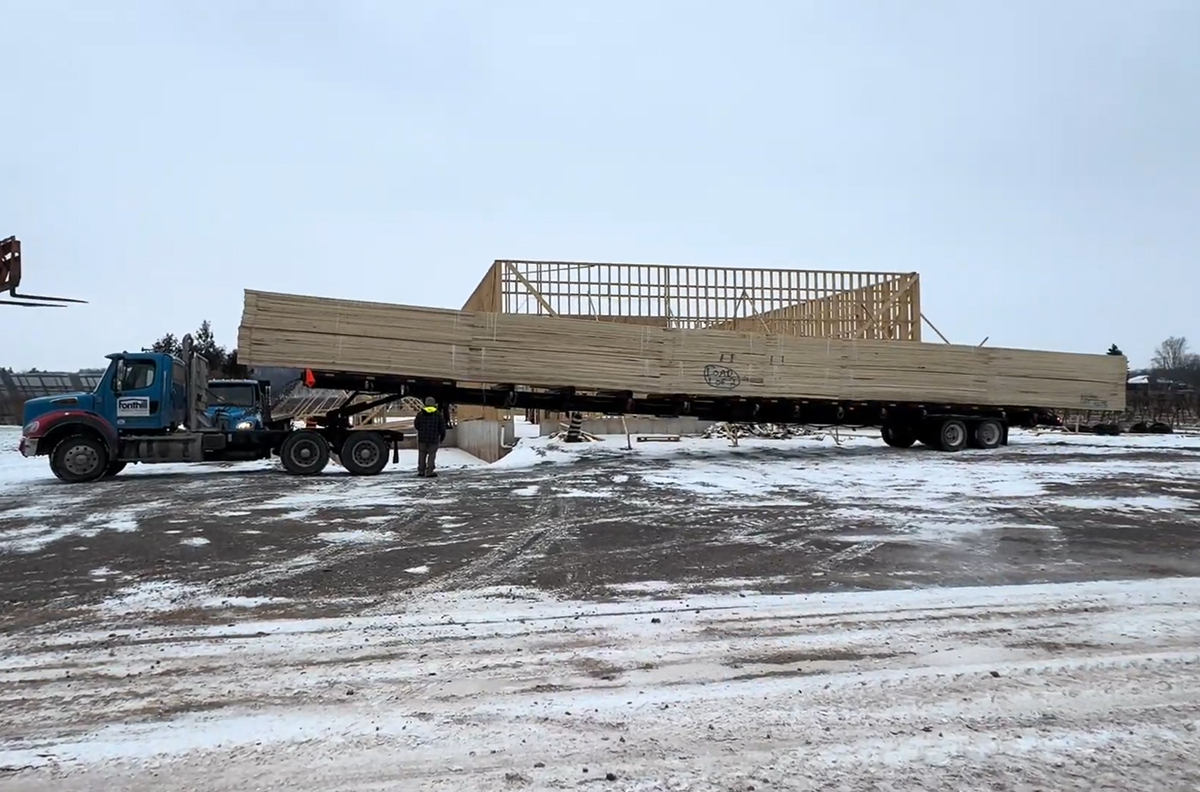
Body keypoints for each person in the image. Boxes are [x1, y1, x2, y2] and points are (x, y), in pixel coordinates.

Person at [413, 397, 447, 477]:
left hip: (422, 438)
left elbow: (416, 424)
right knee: (432, 455)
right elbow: (442, 427)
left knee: (421, 454)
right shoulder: (438, 414)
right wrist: (442, 437)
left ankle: (421, 471)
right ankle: (429, 471)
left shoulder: (420, 414)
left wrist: (421, 431)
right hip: (433, 439)